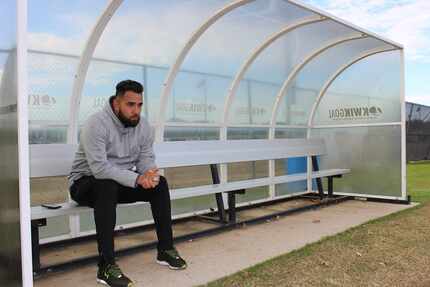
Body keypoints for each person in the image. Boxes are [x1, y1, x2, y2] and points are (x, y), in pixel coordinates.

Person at [68, 80, 186, 287]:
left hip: (119, 182)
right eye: (130, 105)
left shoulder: (143, 126)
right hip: (84, 184)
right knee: (106, 185)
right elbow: (99, 169)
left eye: (139, 105)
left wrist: (149, 174)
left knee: (160, 184)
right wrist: (137, 178)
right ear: (116, 103)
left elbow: (145, 157)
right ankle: (106, 265)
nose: (136, 111)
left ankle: (165, 249)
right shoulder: (96, 124)